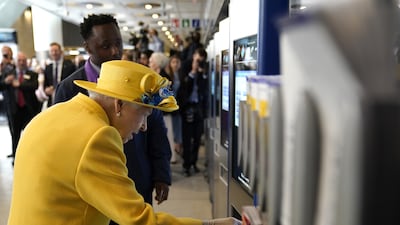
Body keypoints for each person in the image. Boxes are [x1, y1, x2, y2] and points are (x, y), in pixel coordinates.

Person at [7, 60, 240, 225]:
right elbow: (138, 221)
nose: (144, 127)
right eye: (144, 114)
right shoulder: (98, 138)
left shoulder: (54, 114)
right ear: (119, 105)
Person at [54, 14, 172, 220]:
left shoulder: (141, 79)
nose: (115, 51)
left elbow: (156, 128)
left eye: (118, 43)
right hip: (91, 188)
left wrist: (162, 174)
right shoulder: (68, 88)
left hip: (136, 176)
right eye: (105, 45)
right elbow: (60, 143)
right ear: (88, 47)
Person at [0, 51, 41, 163]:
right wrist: (6, 81)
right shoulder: (9, 73)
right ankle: (16, 157)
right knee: (15, 134)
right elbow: (1, 85)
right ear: (16, 62)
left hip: (28, 109)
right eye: (19, 60)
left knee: (31, 134)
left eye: (23, 60)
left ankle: (33, 156)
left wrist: (20, 85)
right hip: (14, 109)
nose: (22, 62)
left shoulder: (32, 74)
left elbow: (34, 86)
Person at [177, 47, 208, 177]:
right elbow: (183, 87)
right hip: (187, 107)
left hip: (198, 108)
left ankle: (194, 163)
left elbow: (204, 88)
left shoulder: (203, 68)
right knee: (186, 138)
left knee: (196, 137)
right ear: (193, 55)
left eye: (201, 61)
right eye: (197, 60)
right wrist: (192, 73)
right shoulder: (184, 66)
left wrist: (202, 73)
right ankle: (186, 165)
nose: (199, 62)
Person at [149, 52, 177, 163]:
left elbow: (167, 97)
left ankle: (168, 158)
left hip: (164, 113)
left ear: (157, 63)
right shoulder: (151, 76)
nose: (149, 63)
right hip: (154, 111)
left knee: (167, 137)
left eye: (151, 61)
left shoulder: (165, 77)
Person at [43, 42, 76, 106]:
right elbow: (45, 85)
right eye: (52, 51)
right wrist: (46, 90)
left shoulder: (70, 65)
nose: (54, 53)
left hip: (67, 100)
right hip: (52, 101)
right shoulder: (48, 67)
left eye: (56, 51)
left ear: (60, 51)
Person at [165, 54, 183, 161]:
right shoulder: (168, 76)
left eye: (177, 62)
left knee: (178, 128)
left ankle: (178, 146)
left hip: (178, 107)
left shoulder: (181, 75)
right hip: (171, 108)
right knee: (172, 130)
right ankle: (174, 152)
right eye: (173, 62)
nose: (175, 64)